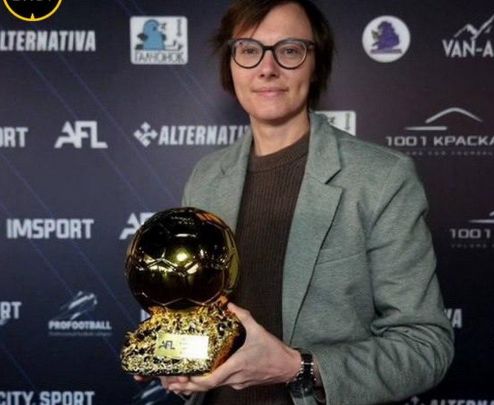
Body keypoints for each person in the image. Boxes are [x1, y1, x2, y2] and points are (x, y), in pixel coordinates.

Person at [156, 0, 454, 403]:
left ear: (316, 64)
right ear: (231, 64)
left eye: (290, 50)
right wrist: (176, 357)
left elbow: (425, 347)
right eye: (249, 49)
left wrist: (298, 367)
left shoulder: (382, 178)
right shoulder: (206, 177)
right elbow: (197, 318)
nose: (267, 68)